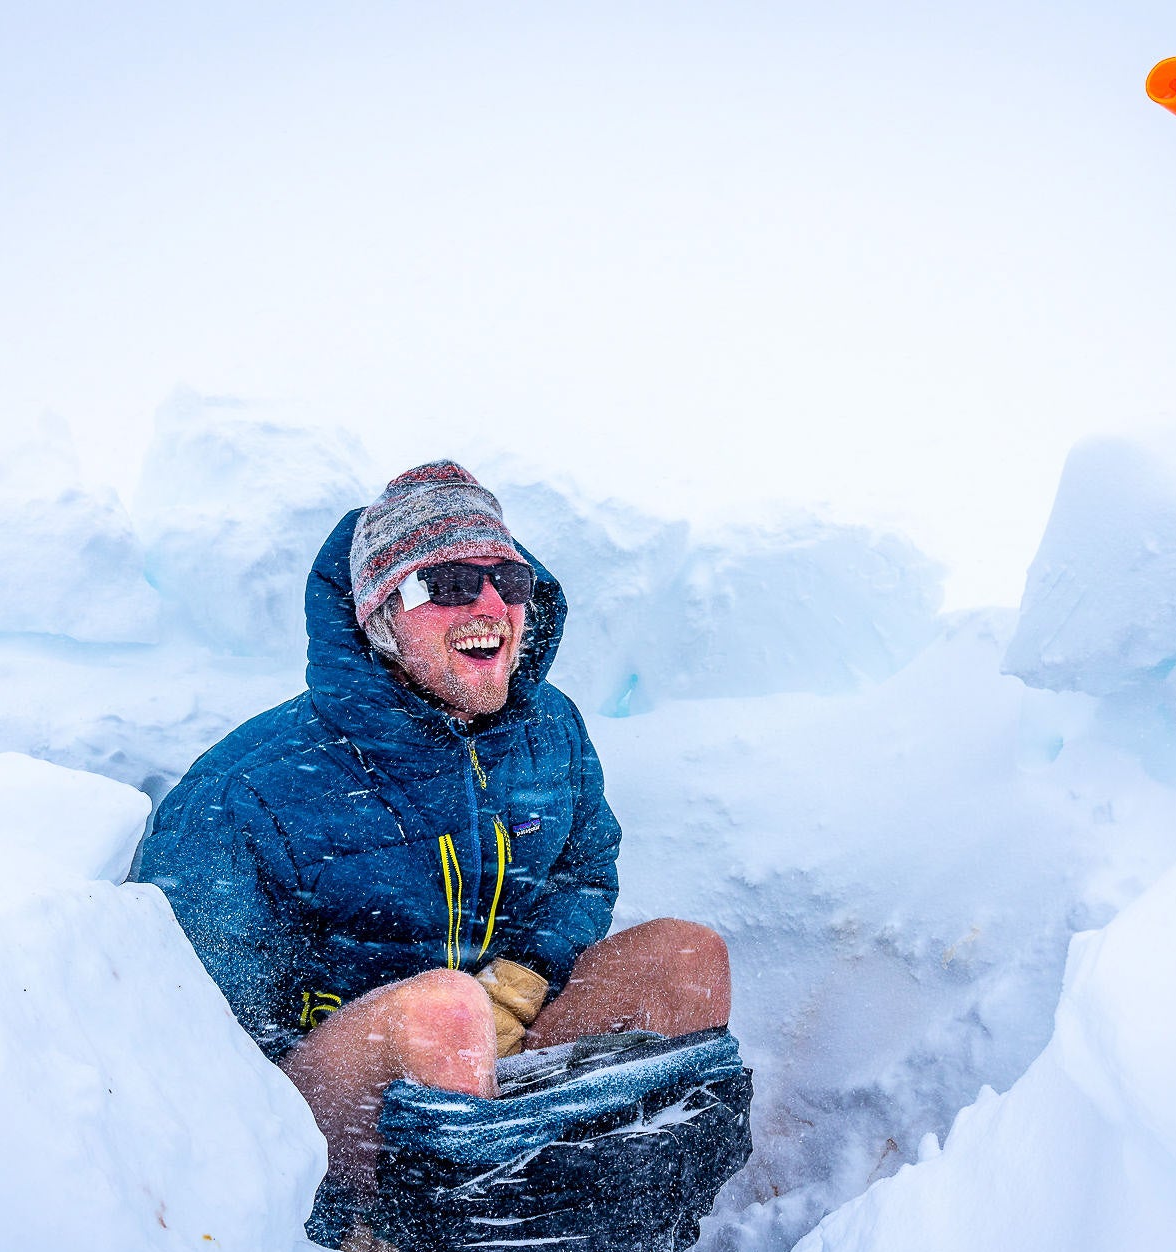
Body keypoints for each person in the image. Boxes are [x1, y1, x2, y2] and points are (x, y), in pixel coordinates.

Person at [135, 461, 732, 1199]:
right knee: (444, 1010)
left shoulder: (551, 731)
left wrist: (522, 981)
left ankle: (610, 1243)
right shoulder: (252, 784)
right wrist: (315, 1202)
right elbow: (197, 1018)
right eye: (447, 585)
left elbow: (584, 868)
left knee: (683, 957)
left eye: (507, 582)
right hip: (335, 1099)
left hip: (492, 1054)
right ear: (380, 616)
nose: (489, 605)